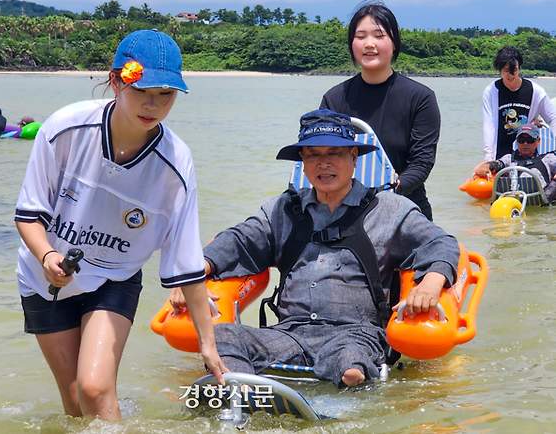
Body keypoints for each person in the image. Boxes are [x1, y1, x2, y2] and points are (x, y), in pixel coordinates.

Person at [14, 29, 226, 419]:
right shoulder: (65, 128)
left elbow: (186, 258)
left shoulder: (176, 163)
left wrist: (208, 345)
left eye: (166, 94)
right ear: (115, 80)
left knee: (95, 389)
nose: (153, 104)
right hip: (43, 276)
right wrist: (47, 256)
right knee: (76, 399)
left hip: (114, 276)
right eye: (141, 90)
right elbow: (28, 214)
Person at [169, 109, 460, 387]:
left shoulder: (391, 209)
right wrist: (191, 275)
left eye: (335, 153)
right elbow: (237, 241)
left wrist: (431, 283)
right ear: (303, 163)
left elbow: (441, 243)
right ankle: (241, 396)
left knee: (350, 367)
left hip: (355, 336)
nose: (324, 163)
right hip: (290, 335)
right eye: (314, 155)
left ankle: (343, 400)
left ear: (354, 156)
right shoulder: (282, 210)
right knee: (221, 337)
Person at [320, 0, 440, 220]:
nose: (369, 44)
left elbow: (422, 163)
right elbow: (322, 156)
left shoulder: (421, 98)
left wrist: (392, 185)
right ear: (351, 43)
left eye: (378, 35)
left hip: (405, 209)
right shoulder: (334, 99)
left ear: (394, 42)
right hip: (343, 212)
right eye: (360, 36)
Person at [482, 45, 556, 161]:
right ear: (499, 69)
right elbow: (488, 125)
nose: (510, 75)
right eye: (506, 71)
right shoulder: (491, 91)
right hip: (500, 154)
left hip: (527, 156)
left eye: (514, 70)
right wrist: (488, 157)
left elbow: (553, 117)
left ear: (519, 68)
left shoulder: (535, 91)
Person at [474, 123, 556, 202]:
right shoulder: (509, 159)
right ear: (517, 142)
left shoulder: (548, 159)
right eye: (521, 140)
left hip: (542, 199)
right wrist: (487, 166)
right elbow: (497, 164)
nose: (525, 144)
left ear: (538, 141)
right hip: (512, 199)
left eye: (530, 141)